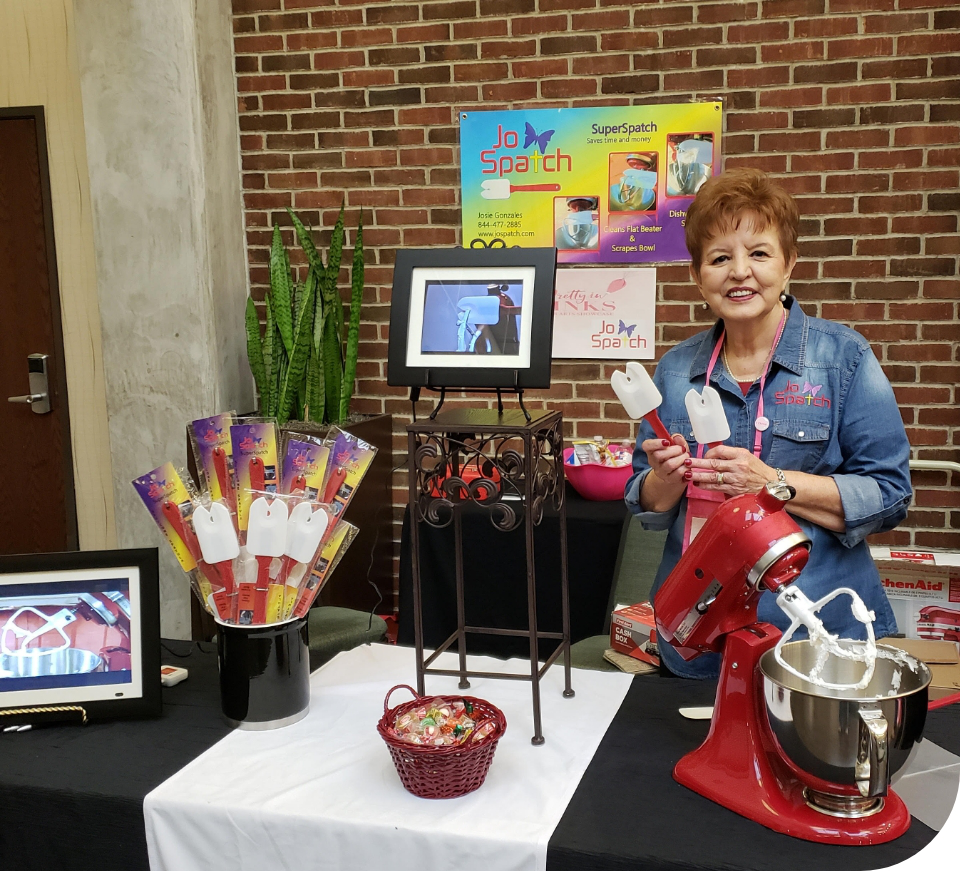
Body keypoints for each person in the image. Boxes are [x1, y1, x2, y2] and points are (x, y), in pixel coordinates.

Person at [624, 168, 912, 678]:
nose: (740, 272)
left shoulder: (843, 358)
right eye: (719, 258)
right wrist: (663, 482)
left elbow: (889, 493)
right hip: (700, 641)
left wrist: (773, 485)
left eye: (759, 253)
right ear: (697, 276)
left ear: (789, 264)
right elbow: (645, 504)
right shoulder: (674, 371)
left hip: (820, 638)